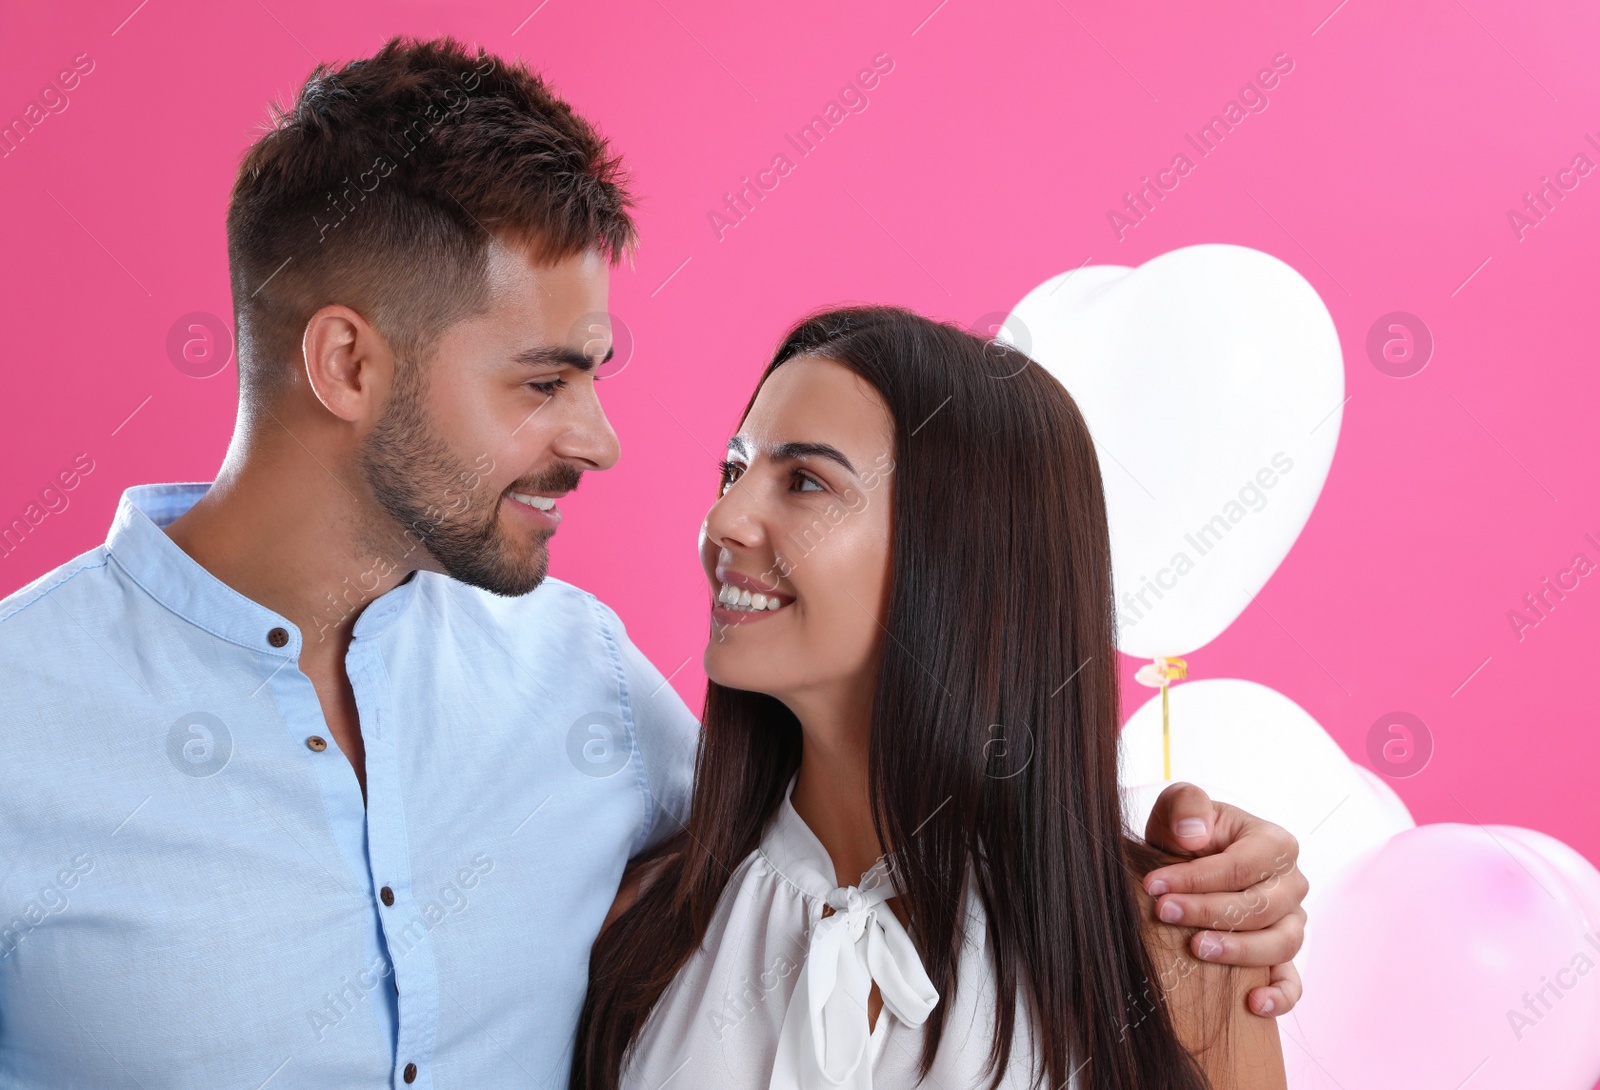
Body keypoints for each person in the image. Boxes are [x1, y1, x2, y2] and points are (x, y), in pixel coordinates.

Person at [0, 39, 1303, 1088]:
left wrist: (1221, 875)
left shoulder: (587, 685)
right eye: (544, 381)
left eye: (798, 476)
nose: (606, 443)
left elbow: (892, 819)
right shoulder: (23, 716)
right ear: (347, 364)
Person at [575, 307, 1293, 1090]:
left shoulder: (1177, 960)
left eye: (805, 481)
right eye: (733, 471)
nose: (724, 520)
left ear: (959, 556)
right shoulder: (643, 927)